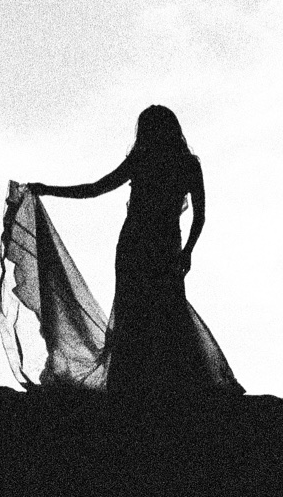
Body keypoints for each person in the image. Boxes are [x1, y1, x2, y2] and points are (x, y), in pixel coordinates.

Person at [25, 105, 240, 399]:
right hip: (154, 246)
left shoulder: (152, 161)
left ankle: (139, 382)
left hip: (143, 245)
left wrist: (49, 189)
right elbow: (198, 216)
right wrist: (188, 250)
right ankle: (159, 382)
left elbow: (96, 188)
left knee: (145, 308)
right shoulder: (182, 163)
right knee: (157, 307)